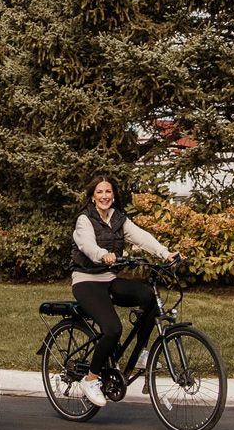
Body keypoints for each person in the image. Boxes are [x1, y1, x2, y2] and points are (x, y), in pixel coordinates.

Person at [68, 175, 175, 408]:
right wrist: (102, 255)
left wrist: (165, 254)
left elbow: (141, 237)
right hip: (86, 280)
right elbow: (87, 245)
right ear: (92, 196)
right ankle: (91, 379)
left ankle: (141, 354)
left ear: (113, 195)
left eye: (108, 192)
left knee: (149, 297)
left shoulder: (119, 219)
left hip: (109, 277)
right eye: (99, 192)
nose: (104, 196)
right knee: (113, 329)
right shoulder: (84, 220)